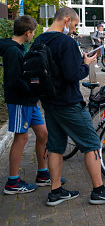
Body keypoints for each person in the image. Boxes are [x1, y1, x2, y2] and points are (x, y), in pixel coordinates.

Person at [36, 7, 105, 206]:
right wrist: (86, 65)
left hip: (49, 102)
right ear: (67, 20)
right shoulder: (65, 41)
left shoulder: (40, 39)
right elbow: (71, 74)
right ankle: (99, 191)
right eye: (75, 24)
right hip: (68, 102)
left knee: (56, 146)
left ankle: (56, 191)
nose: (74, 29)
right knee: (91, 144)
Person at [0, 16, 53, 194]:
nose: (33, 36)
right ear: (27, 33)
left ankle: (43, 174)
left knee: (43, 133)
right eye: (33, 32)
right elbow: (15, 81)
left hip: (29, 101)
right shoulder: (13, 52)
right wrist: (33, 90)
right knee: (21, 138)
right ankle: (12, 183)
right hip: (20, 100)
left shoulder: (18, 48)